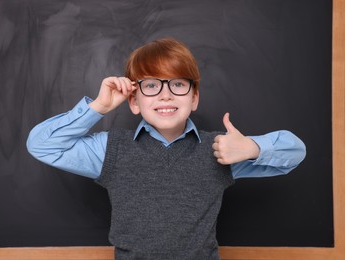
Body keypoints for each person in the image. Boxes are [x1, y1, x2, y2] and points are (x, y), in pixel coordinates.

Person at [26, 38, 306, 260]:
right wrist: (98, 107)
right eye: (150, 84)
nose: (165, 93)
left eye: (178, 83)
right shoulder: (110, 150)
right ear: (134, 102)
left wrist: (253, 148)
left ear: (194, 98)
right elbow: (42, 145)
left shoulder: (222, 148)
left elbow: (295, 152)